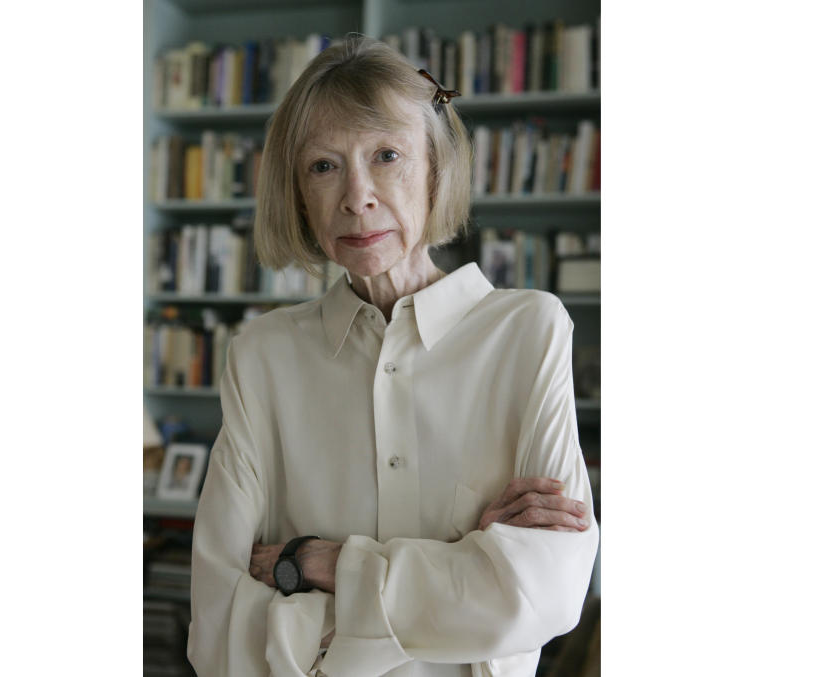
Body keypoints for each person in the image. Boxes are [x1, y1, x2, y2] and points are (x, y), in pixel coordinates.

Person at [187, 35, 598, 677]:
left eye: (386, 156)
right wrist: (461, 571)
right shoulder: (260, 357)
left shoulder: (529, 331)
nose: (357, 196)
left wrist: (325, 567)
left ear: (436, 168)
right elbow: (218, 636)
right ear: (297, 193)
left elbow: (541, 596)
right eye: (324, 166)